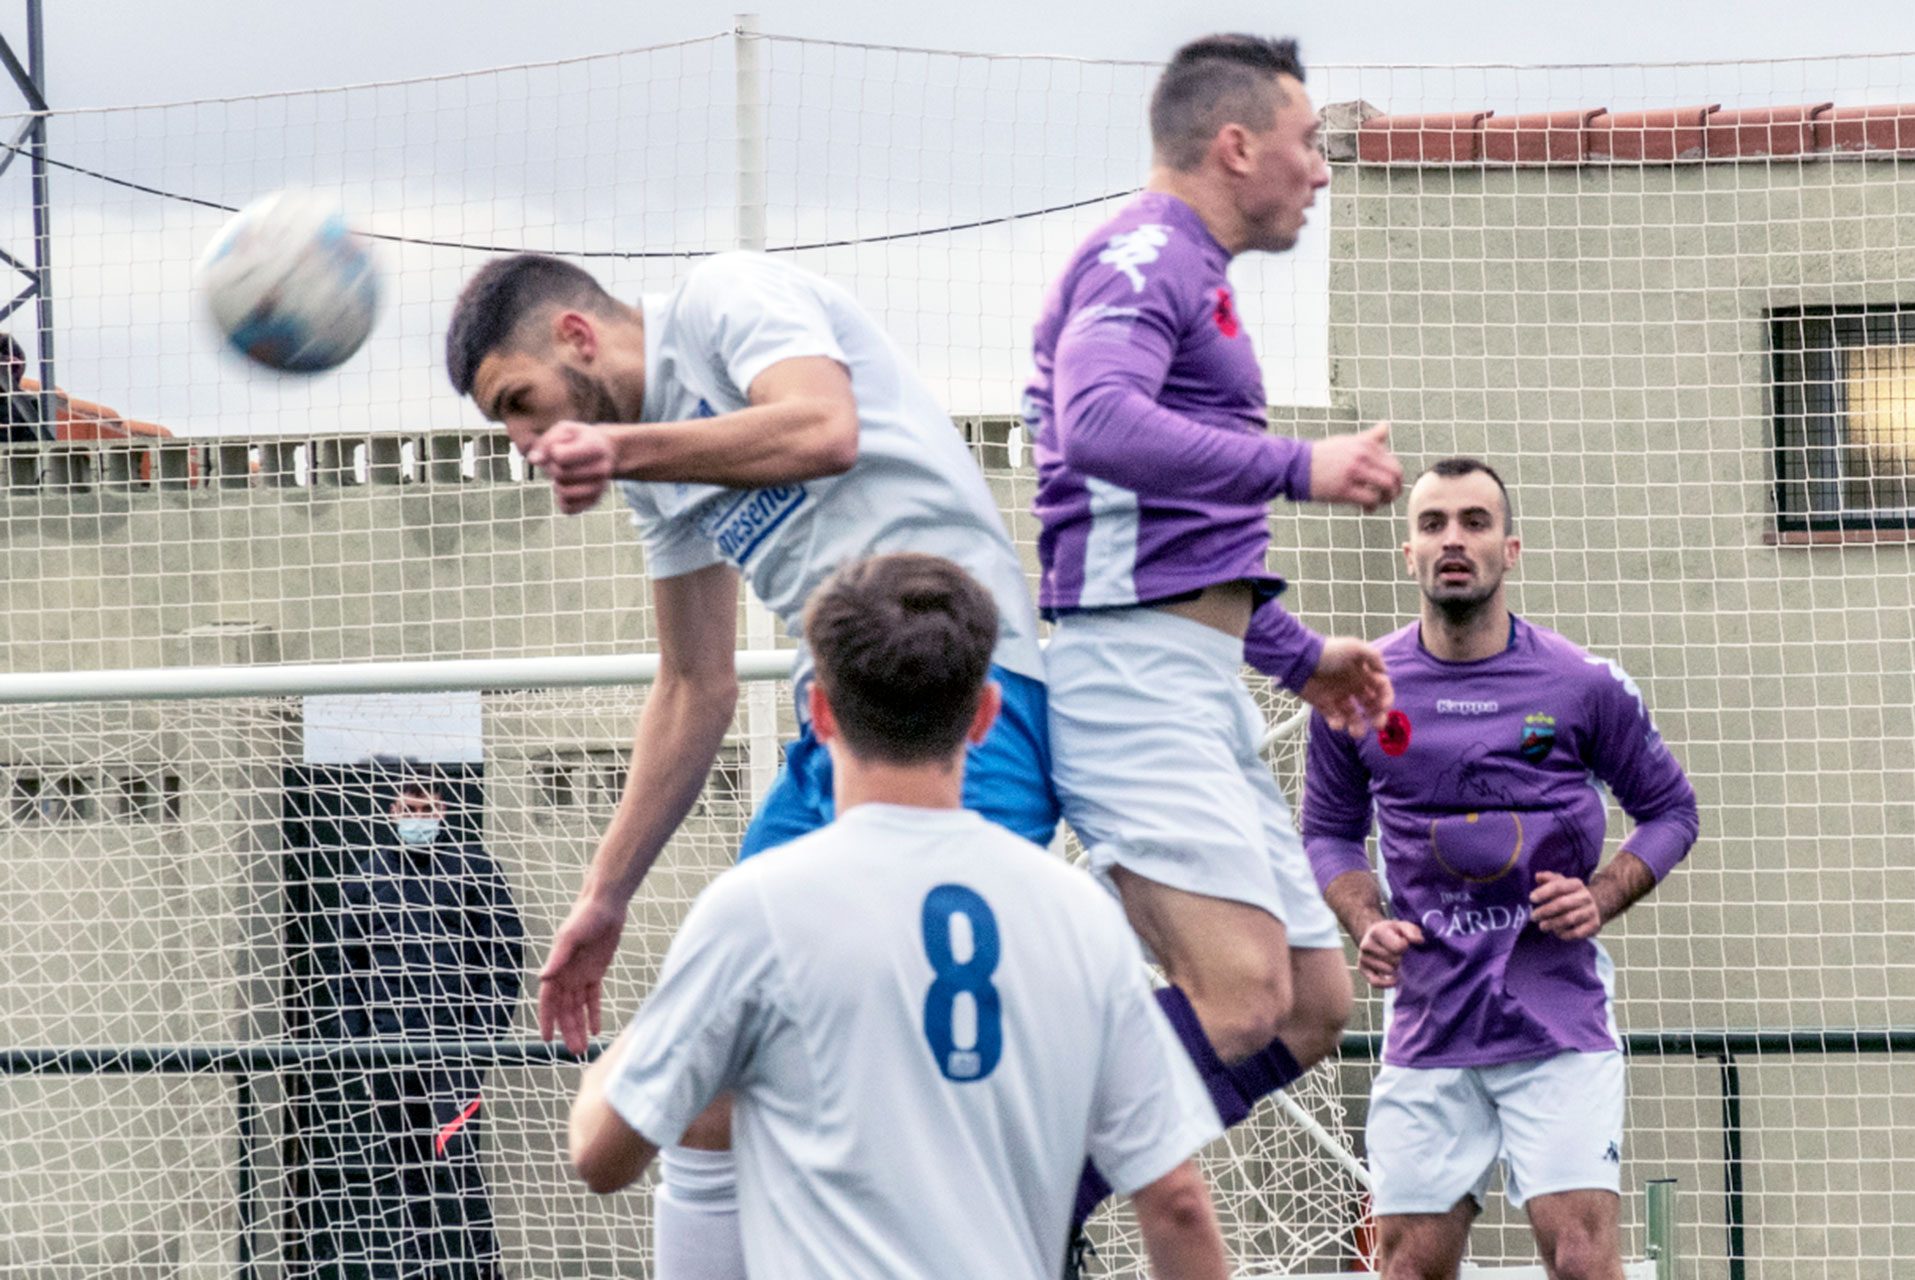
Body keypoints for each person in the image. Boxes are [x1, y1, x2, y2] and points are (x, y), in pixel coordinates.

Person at [444, 249, 1058, 1277]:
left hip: (969, 710)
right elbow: (695, 685)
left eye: (518, 401)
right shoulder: (652, 468)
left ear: (578, 338)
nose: (521, 439)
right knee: (711, 1078)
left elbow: (824, 426)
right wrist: (604, 896)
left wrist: (625, 447)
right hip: (829, 738)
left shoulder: (728, 299)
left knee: (921, 1077)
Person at [569, 553, 1232, 1280]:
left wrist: (644, 1034)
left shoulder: (756, 909)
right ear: (985, 714)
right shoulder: (1081, 917)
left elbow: (601, 1156)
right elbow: (1177, 1206)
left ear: (820, 711)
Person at [1025, 32, 1404, 1226]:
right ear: (1237, 146)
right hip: (1129, 682)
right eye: (1311, 144)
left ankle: (1028, 1196)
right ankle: (998, 1195)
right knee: (1237, 996)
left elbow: (1176, 535)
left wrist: (1300, 654)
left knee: (1311, 1002)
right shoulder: (1146, 252)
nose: (1324, 172)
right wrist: (1301, 464)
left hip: (1193, 676)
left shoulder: (1195, 273)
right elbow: (1094, 422)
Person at [1301, 458, 1700, 1280]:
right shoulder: (1356, 689)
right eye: (1434, 523)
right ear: (1408, 553)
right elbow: (1329, 834)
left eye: (1475, 523)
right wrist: (1366, 922)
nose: (1455, 539)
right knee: (1406, 1266)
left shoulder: (1583, 684)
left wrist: (1602, 894)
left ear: (1509, 548)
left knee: (1584, 1260)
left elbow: (1672, 813)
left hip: (1556, 1024)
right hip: (1430, 1024)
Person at [295, 774, 525, 1280]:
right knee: (403, 1172)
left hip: (453, 1055)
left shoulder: (475, 871)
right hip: (388, 1054)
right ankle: (417, 1270)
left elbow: (504, 959)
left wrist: (480, 1036)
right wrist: (361, 1042)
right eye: (408, 807)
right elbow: (343, 968)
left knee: (458, 1164)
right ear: (391, 812)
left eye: (426, 807)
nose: (416, 816)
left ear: (442, 812)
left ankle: (484, 1270)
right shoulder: (364, 879)